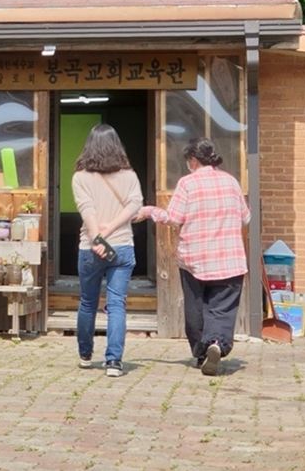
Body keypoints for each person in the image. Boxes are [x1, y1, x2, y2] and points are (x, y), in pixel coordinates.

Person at [137, 137, 250, 376]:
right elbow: (245, 217)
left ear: (193, 160)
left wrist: (149, 211)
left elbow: (174, 218)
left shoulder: (188, 183)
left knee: (195, 308)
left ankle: (201, 354)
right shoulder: (231, 182)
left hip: (195, 260)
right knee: (222, 307)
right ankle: (217, 344)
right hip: (230, 259)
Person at [71, 124, 143, 377]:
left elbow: (86, 208)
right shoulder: (129, 175)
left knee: (88, 303)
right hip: (122, 245)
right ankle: (114, 361)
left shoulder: (80, 177)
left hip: (90, 247)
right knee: (117, 305)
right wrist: (111, 229)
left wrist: (97, 236)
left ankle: (85, 354)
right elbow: (135, 205)